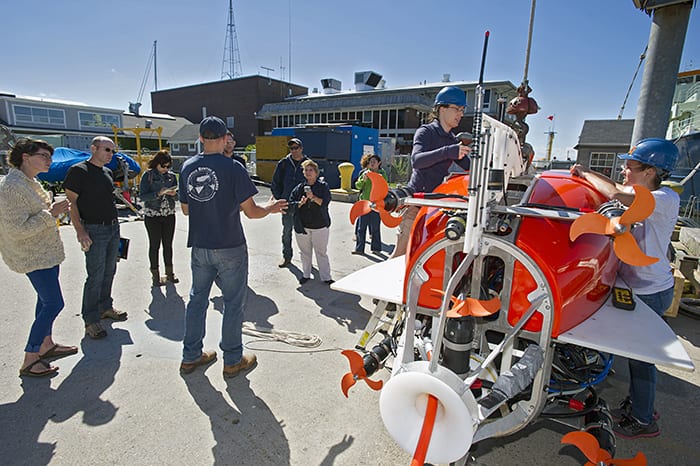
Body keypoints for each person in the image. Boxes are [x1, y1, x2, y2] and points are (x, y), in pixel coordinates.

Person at [570, 138, 680, 440]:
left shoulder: (663, 198)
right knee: (634, 353)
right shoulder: (645, 194)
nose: (623, 171)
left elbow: (617, 193)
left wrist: (584, 173)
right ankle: (637, 404)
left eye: (630, 167)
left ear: (650, 171)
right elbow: (618, 195)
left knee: (641, 358)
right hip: (637, 284)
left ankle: (644, 420)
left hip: (650, 289)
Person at [178, 116, 287, 378]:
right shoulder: (233, 168)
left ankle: (190, 356)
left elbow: (185, 209)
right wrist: (270, 208)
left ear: (201, 138)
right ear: (225, 138)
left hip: (200, 245)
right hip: (229, 245)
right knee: (233, 304)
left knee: (196, 300)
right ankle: (232, 360)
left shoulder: (187, 167)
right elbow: (251, 212)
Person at [0, 138, 77, 377]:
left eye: (49, 156)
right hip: (32, 254)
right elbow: (17, 228)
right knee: (54, 303)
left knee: (45, 301)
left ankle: (46, 343)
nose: (49, 161)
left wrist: (51, 211)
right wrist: (51, 213)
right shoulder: (12, 186)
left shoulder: (30, 181)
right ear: (25, 157)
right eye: (43, 156)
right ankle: (30, 357)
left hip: (45, 251)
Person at [391, 86, 471, 257]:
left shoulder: (451, 139)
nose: (461, 114)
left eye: (462, 110)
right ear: (441, 108)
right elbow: (417, 160)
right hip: (416, 203)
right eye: (457, 109)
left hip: (436, 206)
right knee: (400, 256)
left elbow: (469, 167)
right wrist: (449, 151)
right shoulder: (426, 132)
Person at [64, 136, 128, 340]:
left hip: (112, 228)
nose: (110, 154)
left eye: (112, 151)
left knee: (110, 270)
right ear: (94, 148)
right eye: (106, 150)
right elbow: (71, 204)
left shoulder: (107, 172)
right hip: (93, 229)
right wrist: (80, 231)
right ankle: (91, 320)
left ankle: (105, 307)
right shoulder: (78, 171)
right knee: (95, 275)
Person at [139, 149, 179, 287]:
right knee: (154, 245)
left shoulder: (171, 176)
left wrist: (173, 194)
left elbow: (178, 196)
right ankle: (155, 275)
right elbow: (142, 196)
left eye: (168, 166)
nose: (165, 169)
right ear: (156, 164)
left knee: (168, 245)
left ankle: (170, 273)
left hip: (169, 214)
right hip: (153, 214)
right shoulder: (148, 175)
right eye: (163, 166)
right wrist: (157, 193)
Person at [289, 159, 333, 284]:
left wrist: (312, 197)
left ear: (316, 172)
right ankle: (306, 274)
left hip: (320, 226)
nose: (308, 173)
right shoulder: (299, 188)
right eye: (306, 170)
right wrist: (300, 203)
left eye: (311, 170)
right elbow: (291, 204)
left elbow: (325, 203)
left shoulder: (323, 186)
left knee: (321, 252)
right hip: (303, 226)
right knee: (305, 252)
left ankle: (326, 277)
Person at [271, 137, 308, 267]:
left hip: (304, 203)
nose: (294, 150)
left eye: (296, 148)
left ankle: (307, 259)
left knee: (305, 233)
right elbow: (275, 182)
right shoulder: (283, 163)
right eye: (291, 148)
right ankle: (287, 257)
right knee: (287, 231)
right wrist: (279, 198)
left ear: (301, 148)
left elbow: (313, 180)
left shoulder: (307, 163)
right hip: (287, 203)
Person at [353, 153, 388, 255]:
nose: (372, 164)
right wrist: (363, 180)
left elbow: (385, 186)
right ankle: (359, 248)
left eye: (374, 162)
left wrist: (380, 178)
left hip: (376, 204)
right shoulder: (365, 173)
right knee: (361, 227)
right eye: (370, 162)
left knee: (375, 227)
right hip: (365, 203)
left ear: (379, 163)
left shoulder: (382, 173)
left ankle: (376, 248)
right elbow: (358, 186)